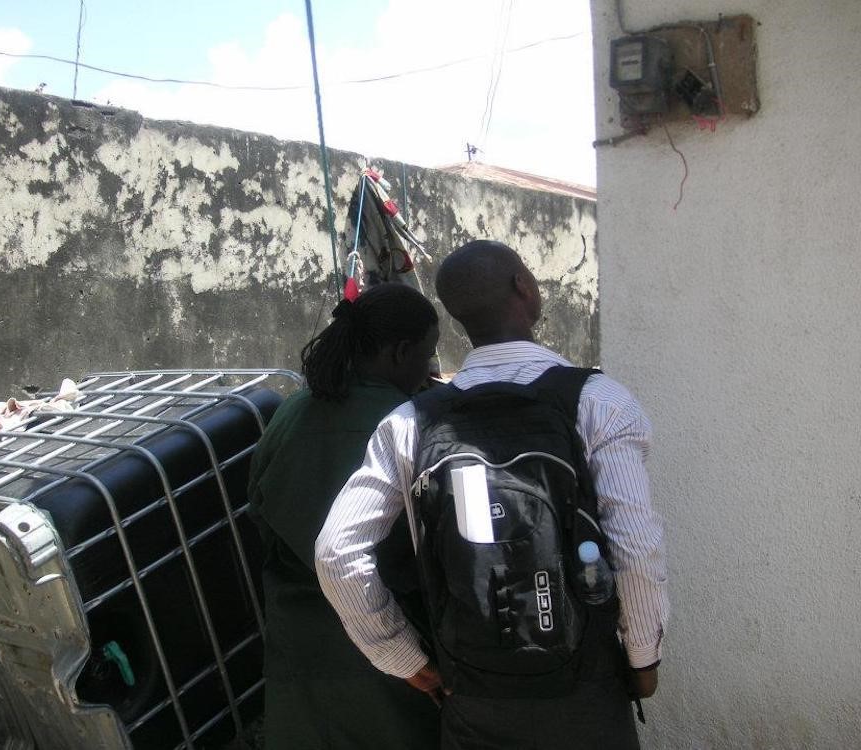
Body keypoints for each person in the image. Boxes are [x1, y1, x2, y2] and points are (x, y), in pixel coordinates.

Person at [315, 240, 669, 749]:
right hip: (586, 692)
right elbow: (635, 548)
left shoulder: (409, 423)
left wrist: (407, 661)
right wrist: (643, 659)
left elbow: (335, 554)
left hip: (473, 693)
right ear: (523, 287)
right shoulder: (599, 402)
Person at [247, 282, 442, 750]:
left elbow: (260, 511)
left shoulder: (290, 411)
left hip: (298, 646)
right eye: (427, 356)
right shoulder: (408, 423)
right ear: (400, 353)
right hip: (389, 650)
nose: (429, 372)